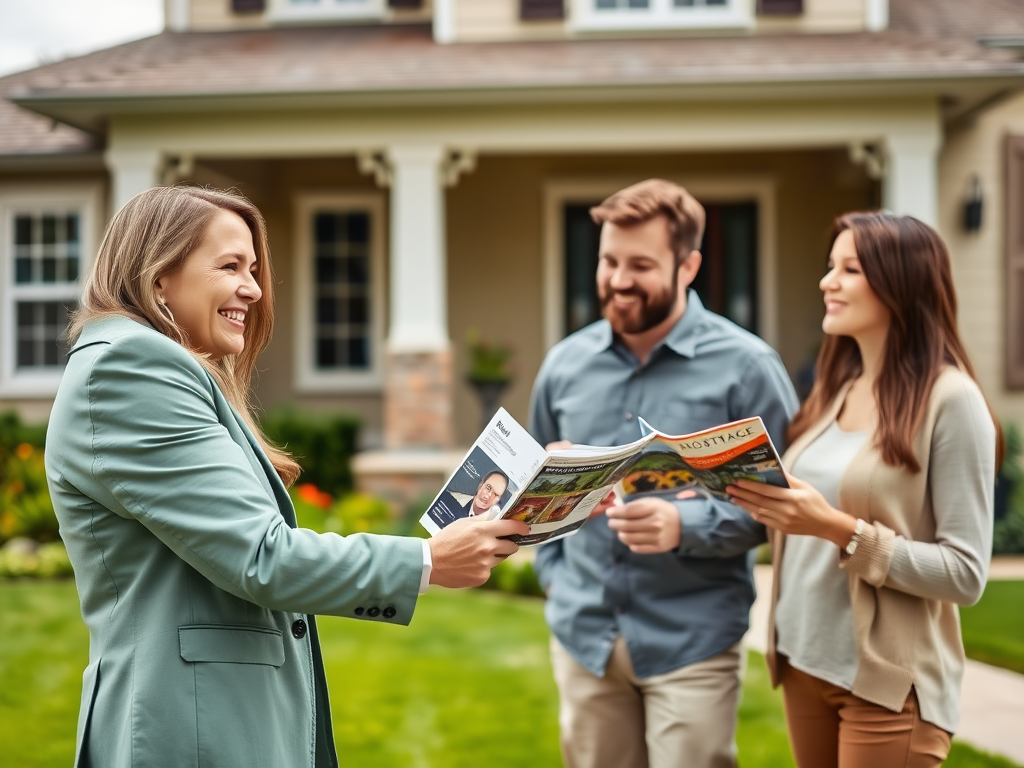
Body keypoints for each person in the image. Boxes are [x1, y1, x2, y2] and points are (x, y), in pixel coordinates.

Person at [44, 186, 529, 768]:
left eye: (253, 268)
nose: (254, 288)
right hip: (191, 727)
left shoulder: (155, 366)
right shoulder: (131, 367)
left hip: (222, 719)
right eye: (229, 266)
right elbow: (261, 557)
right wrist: (429, 563)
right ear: (157, 280)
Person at [529, 179, 798, 768]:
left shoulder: (748, 368)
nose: (619, 279)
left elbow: (786, 506)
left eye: (641, 264)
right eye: (608, 260)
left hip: (693, 642)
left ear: (689, 265)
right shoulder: (563, 366)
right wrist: (554, 577)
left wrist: (688, 523)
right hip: (584, 638)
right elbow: (535, 488)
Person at [726, 212, 1001, 768]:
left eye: (849, 269)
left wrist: (834, 527)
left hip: (885, 682)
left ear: (901, 284)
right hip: (806, 661)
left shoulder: (953, 402)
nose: (828, 282)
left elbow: (966, 574)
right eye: (831, 267)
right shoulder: (836, 389)